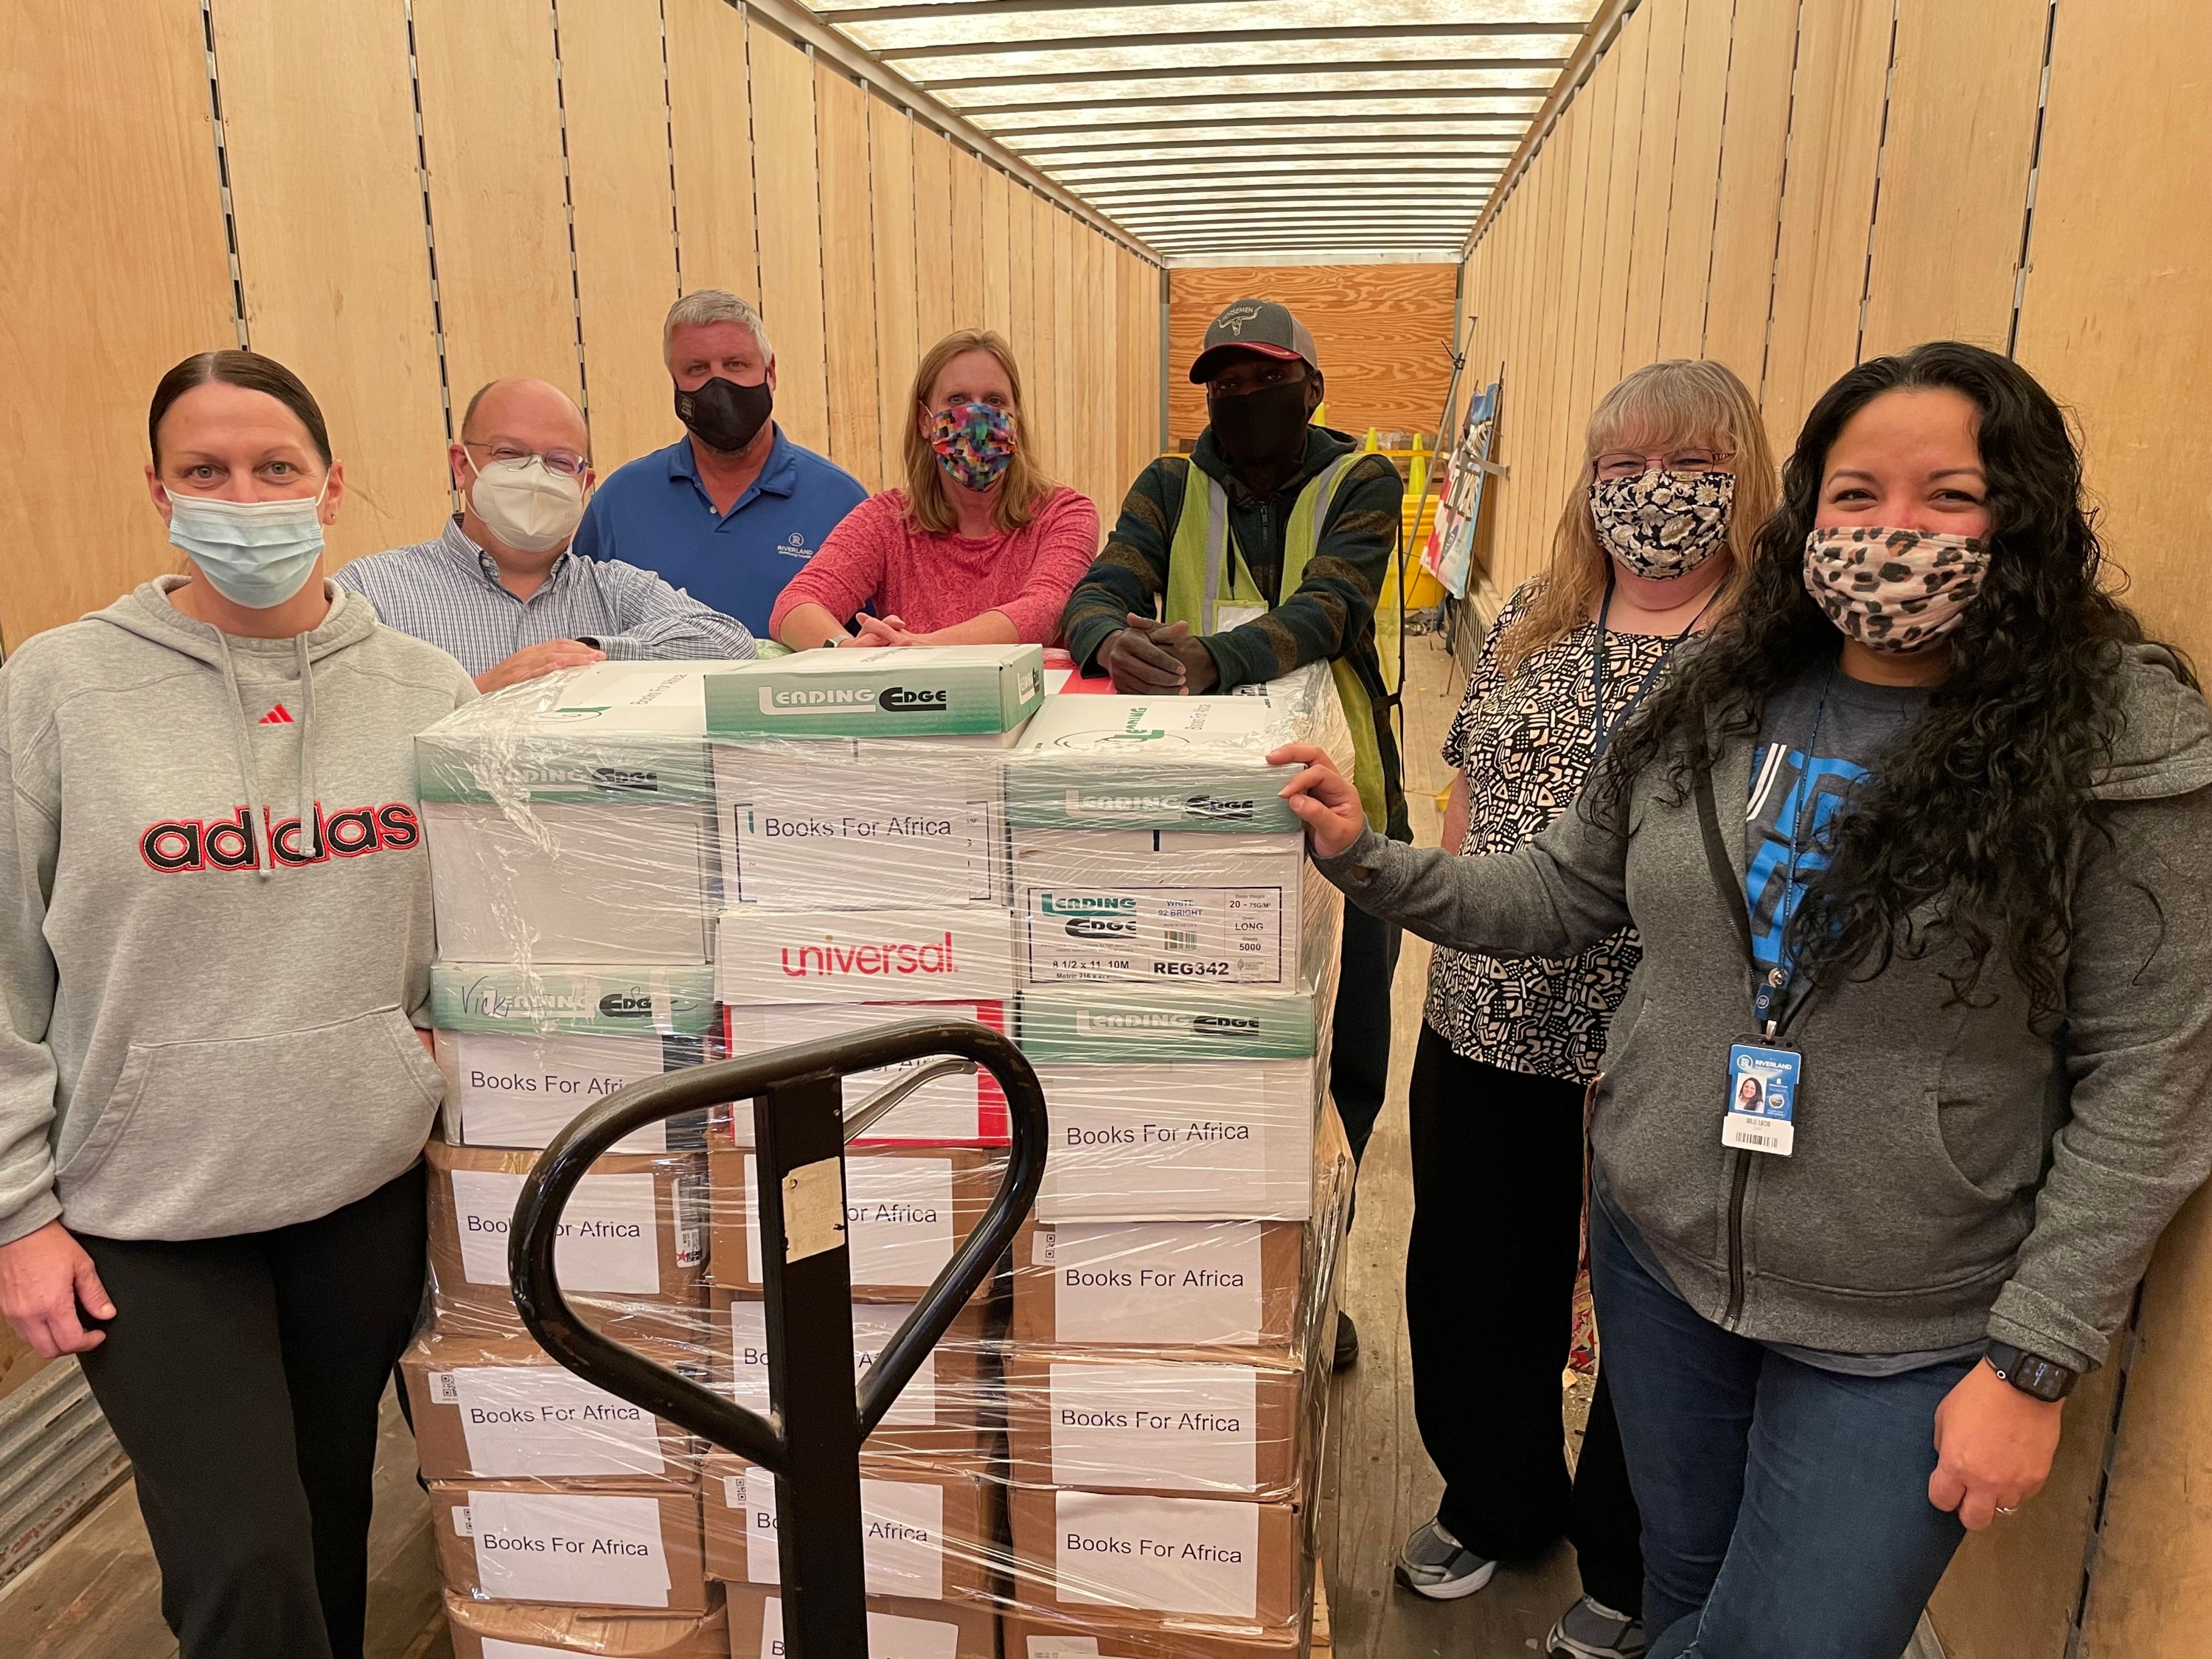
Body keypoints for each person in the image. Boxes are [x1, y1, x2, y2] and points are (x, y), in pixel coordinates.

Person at [1273, 341, 2212, 1659]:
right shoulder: (1724, 692)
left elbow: (2153, 1070)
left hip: (1900, 1321)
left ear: (2026, 513)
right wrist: (1363, 857)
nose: (1895, 531)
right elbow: (1556, 891)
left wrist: (2035, 1357)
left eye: (1950, 495)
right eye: (1858, 495)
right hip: (1666, 1268)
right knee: (1685, 1592)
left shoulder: (2109, 734)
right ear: (1809, 510)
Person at [0, 350, 476, 1658]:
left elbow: (469, 926)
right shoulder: (58, 690)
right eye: (205, 471)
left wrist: (423, 1047)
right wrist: (17, 1217)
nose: (245, 498)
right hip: (147, 1214)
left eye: (275, 468)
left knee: (328, 1520)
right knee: (246, 1558)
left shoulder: (425, 688)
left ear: (331, 486)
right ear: (160, 491)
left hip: (356, 1190)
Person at [1397, 361, 1778, 1659]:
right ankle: (1496, 1499)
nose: (1651, 492)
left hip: (1665, 1036)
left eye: (1688, 465)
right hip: (1490, 1015)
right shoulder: (1533, 617)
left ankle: (1629, 1559)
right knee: (1472, 1275)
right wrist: (1447, 934)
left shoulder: (1771, 654)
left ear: (1743, 478)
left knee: (1656, 1313)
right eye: (1622, 467)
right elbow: (1466, 785)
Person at [1061, 298, 1408, 1369]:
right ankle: (1211, 1282)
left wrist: (1213, 658)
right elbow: (1096, 588)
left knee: (1343, 1062)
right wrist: (1112, 641)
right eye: (1225, 383)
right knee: (1209, 1053)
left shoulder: (1362, 481)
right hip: (1197, 828)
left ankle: (1318, 1285)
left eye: (1265, 380)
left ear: (1311, 386)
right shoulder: (1169, 486)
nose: (1243, 398)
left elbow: (1333, 607)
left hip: (1337, 807)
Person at [337, 377, 755, 689]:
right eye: (509, 454)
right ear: (462, 466)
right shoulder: (373, 591)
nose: (535, 476)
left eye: (560, 462)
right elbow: (340, 729)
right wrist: (475, 696)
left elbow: (731, 644)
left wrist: (595, 652)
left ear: (584, 483)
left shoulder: (615, 591)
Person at [770, 330, 1097, 649]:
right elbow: (795, 604)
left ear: (1016, 419)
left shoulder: (1064, 513)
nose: (977, 417)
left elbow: (1045, 611)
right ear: (925, 421)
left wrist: (917, 647)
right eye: (957, 400)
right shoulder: (888, 519)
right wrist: (843, 649)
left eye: (994, 401)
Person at [572, 290, 867, 636]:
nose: (719, 383)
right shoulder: (620, 502)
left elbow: (871, 644)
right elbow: (578, 626)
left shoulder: (841, 501)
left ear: (770, 373)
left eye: (736, 364)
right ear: (675, 384)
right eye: (697, 369)